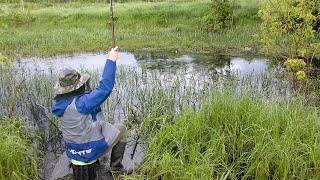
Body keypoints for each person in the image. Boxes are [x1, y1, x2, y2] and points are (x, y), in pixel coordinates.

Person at [52, 47, 127, 180]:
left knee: (91, 124)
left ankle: (98, 161)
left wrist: (96, 95)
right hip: (89, 151)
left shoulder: (59, 104)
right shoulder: (83, 104)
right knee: (121, 128)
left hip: (73, 151)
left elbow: (80, 100)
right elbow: (105, 87)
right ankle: (116, 168)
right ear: (78, 86)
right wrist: (111, 59)